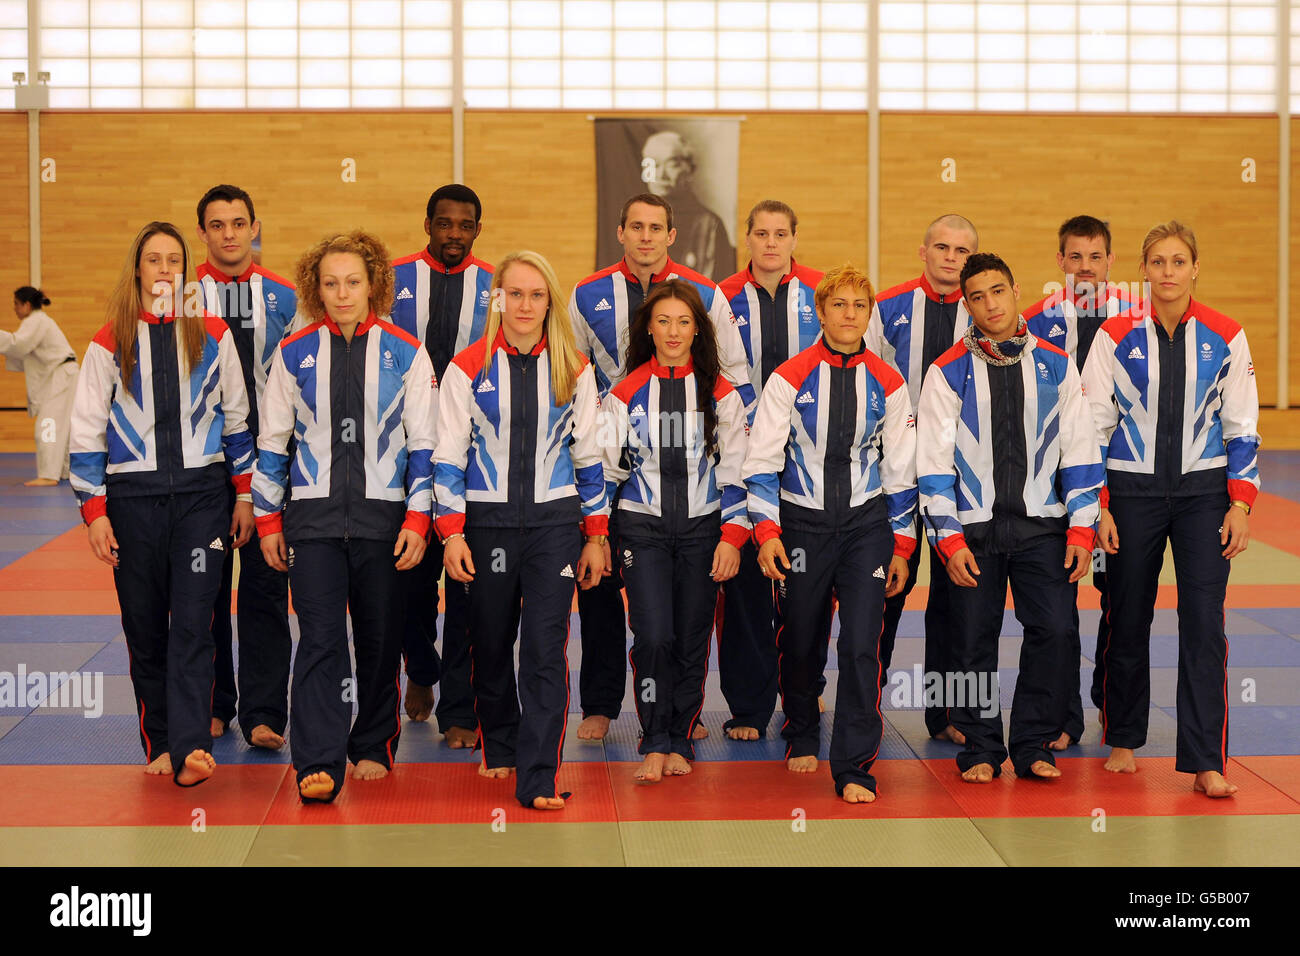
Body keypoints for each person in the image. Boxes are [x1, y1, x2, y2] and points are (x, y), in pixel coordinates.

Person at [68, 221, 255, 787]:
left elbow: (236, 421)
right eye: (154, 260)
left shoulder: (213, 333)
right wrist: (95, 514)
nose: (165, 270)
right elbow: (85, 436)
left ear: (186, 270)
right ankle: (162, 739)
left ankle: (194, 745)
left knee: (195, 622)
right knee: (145, 627)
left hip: (203, 499)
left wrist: (244, 495)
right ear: (138, 270)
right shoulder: (108, 342)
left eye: (175, 260)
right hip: (133, 503)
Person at [253, 230, 437, 803]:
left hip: (386, 522)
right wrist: (266, 520)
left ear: (374, 284)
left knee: (381, 640)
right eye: (330, 283)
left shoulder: (407, 352)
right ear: (316, 288)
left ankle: (373, 744)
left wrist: (417, 520)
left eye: (352, 282)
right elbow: (273, 442)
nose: (342, 293)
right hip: (311, 522)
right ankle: (320, 758)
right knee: (321, 639)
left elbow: (424, 445)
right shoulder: (293, 353)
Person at [1081, 221, 1260, 798]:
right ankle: (1125, 737)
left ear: (1194, 268)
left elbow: (1242, 428)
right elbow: (1092, 425)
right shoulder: (1114, 335)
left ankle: (1207, 759)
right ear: (1144, 270)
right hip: (1130, 494)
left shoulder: (1227, 334)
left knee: (1204, 623)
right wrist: (1099, 506)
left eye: (1178, 261)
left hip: (1204, 496)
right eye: (1157, 262)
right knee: (1128, 612)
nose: (1167, 272)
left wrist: (1241, 503)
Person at [568, 193, 752, 742]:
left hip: (700, 515)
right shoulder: (588, 297)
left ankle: (681, 719)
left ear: (671, 234)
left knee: (690, 630)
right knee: (639, 625)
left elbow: (735, 385)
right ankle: (612, 708)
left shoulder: (709, 301)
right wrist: (598, 525)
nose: (646, 236)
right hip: (630, 496)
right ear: (620, 231)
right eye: (636, 227)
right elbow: (573, 370)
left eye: (656, 228)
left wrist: (735, 530)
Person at [917, 252, 1102, 783]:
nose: (990, 304)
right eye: (977, 296)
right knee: (971, 640)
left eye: (998, 291)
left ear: (1015, 290)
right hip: (970, 534)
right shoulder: (946, 372)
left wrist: (1083, 530)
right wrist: (947, 541)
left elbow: (1082, 454)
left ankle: (1031, 741)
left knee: (1057, 629)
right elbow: (932, 466)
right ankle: (979, 748)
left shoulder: (1056, 365)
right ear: (967, 304)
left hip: (1043, 527)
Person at [436, 250, 609, 811]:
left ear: (549, 302)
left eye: (537, 295)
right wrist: (453, 533)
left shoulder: (575, 369)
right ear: (497, 299)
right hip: (485, 527)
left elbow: (589, 458)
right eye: (515, 294)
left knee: (543, 647)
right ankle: (502, 743)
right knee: (488, 641)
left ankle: (539, 775)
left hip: (553, 526)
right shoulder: (465, 369)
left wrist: (596, 534)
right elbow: (448, 457)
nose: (526, 305)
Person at [743, 264, 917, 803]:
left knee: (863, 643)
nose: (848, 315)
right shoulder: (788, 377)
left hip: (866, 527)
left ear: (870, 315)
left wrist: (903, 546)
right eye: (838, 305)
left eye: (858, 307)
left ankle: (855, 767)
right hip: (800, 525)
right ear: (820, 312)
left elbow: (900, 469)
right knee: (800, 635)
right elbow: (761, 462)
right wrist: (766, 531)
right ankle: (801, 729)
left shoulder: (889, 382)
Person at [599, 280, 749, 781]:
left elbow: (737, 472)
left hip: (704, 532)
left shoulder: (721, 392)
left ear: (697, 330)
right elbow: (603, 470)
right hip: (641, 532)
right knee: (653, 636)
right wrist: (598, 536)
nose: (673, 331)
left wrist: (732, 538)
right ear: (648, 327)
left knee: (689, 637)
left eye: (683, 322)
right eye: (662, 321)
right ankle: (653, 736)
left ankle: (680, 736)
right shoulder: (622, 393)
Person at [1023, 215, 1141, 750]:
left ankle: (1111, 705)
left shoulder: (1138, 321)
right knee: (1061, 606)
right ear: (1061, 263)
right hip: (1056, 484)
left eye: (1095, 257)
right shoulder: (1032, 324)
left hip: (1127, 482)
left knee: (1118, 597)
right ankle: (1064, 716)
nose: (1086, 267)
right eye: (1075, 257)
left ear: (1110, 263)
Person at [715, 200, 824, 741]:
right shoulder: (722, 297)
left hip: (809, 462)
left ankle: (805, 690)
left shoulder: (822, 293)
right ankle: (748, 706)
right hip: (742, 453)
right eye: (762, 233)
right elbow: (712, 368)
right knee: (746, 589)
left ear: (794, 237)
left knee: (806, 584)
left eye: (781, 233)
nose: (771, 243)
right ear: (749, 239)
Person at [866, 213, 977, 745]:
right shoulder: (885, 310)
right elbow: (862, 380)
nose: (951, 257)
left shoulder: (985, 313)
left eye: (961, 249)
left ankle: (949, 713)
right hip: (896, 475)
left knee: (957, 601)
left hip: (962, 478)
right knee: (885, 593)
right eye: (942, 246)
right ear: (923, 251)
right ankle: (865, 703)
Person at [390, 183, 494, 745]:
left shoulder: (495, 288)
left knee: (465, 590)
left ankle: (459, 710)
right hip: (402, 453)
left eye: (464, 225)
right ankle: (422, 668)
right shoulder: (393, 279)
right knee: (406, 587)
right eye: (444, 223)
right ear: (426, 224)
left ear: (478, 228)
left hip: (466, 457)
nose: (454, 233)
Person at [195, 183, 297, 749]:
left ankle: (264, 713)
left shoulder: (285, 296)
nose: (229, 234)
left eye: (239, 223)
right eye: (217, 224)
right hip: (205, 465)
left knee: (264, 591)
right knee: (204, 589)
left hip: (273, 464)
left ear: (255, 228)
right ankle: (215, 703)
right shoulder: (186, 301)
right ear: (204, 232)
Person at [1, 287, 78, 486]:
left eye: (16, 304)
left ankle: (48, 475)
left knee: (48, 425)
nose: (15, 309)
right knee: (60, 427)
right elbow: (23, 355)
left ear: (26, 305)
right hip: (63, 376)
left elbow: (17, 345)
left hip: (62, 376)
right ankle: (62, 471)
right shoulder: (40, 322)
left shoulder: (36, 320)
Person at [641, 130, 735, 283]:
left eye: (671, 165)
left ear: (690, 170)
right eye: (653, 165)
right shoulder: (635, 222)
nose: (661, 175)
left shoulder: (710, 225)